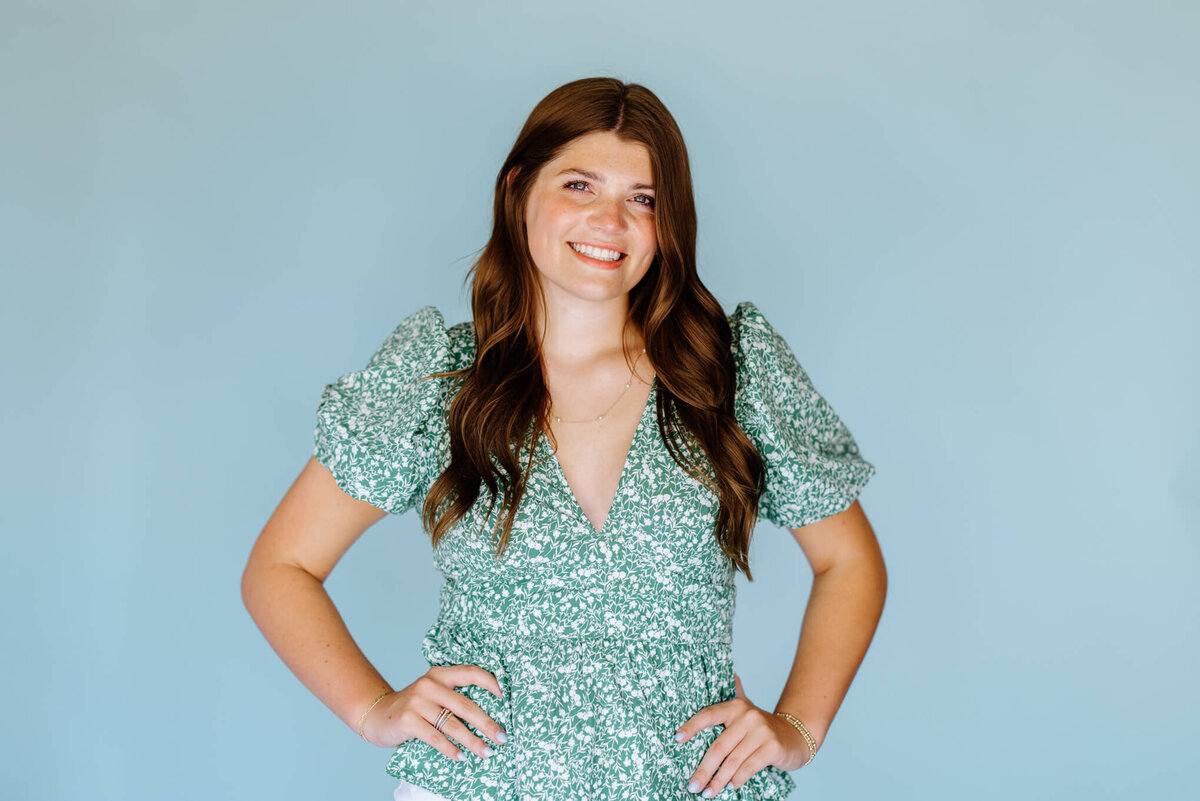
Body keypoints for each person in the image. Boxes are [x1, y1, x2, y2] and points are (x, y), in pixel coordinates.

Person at [241, 77, 886, 801]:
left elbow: (849, 561)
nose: (610, 219)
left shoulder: (726, 378)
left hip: (686, 787)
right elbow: (281, 564)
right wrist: (372, 708)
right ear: (518, 189)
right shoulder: (441, 384)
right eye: (580, 184)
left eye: (643, 198)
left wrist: (798, 726)